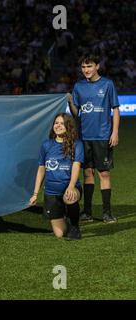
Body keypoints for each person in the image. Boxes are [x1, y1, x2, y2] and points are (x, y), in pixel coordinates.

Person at [67, 54, 120, 223]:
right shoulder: (78, 86)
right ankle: (87, 212)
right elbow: (77, 114)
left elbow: (116, 109)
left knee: (103, 173)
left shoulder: (107, 84)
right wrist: (70, 102)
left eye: (89, 66)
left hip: (102, 136)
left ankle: (107, 212)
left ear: (97, 66)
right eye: (83, 67)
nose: (86, 70)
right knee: (87, 173)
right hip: (84, 137)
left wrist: (115, 132)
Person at [29, 113, 84, 240]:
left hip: (70, 187)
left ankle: (75, 227)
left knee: (69, 197)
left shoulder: (77, 144)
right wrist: (35, 194)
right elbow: (41, 169)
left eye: (62, 123)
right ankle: (66, 218)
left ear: (68, 126)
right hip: (51, 192)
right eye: (56, 123)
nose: (58, 125)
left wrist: (71, 186)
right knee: (59, 234)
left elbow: (76, 166)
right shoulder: (46, 145)